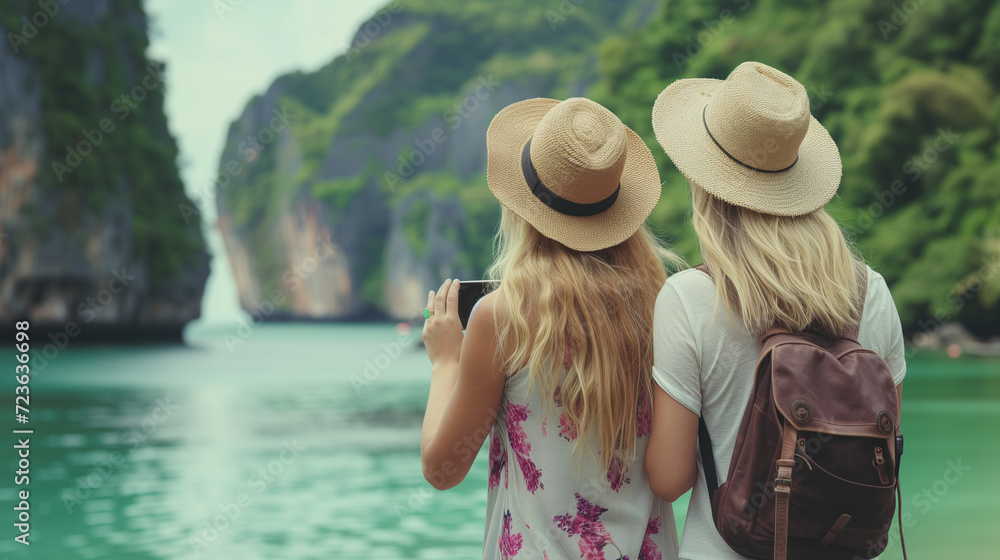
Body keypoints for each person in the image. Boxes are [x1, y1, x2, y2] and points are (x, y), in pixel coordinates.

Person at [643, 62, 906, 559]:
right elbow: (883, 455)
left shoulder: (689, 297)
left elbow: (668, 479)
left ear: (704, 180)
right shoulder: (873, 292)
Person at [420, 97, 682, 559]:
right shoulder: (667, 307)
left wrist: (446, 361)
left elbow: (443, 470)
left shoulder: (504, 317)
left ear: (523, 208)